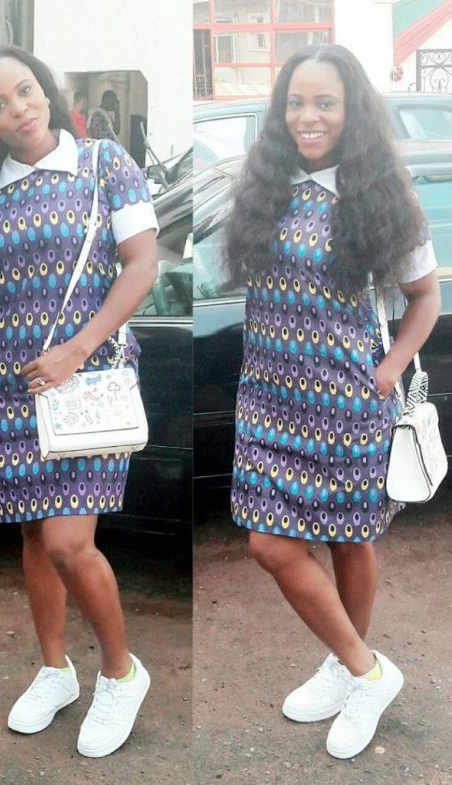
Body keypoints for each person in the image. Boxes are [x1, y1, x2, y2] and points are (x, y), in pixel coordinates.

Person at [0, 45, 158, 758]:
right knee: (34, 536)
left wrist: (76, 350)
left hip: (85, 382)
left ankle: (121, 673)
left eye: (25, 91)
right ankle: (55, 669)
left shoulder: (102, 164)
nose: (18, 109)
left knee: (67, 541)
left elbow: (142, 265)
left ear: (48, 90)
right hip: (4, 389)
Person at [222, 43, 440, 760]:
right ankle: (366, 669)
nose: (306, 116)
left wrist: (390, 368)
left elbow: (424, 297)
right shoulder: (264, 185)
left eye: (324, 102)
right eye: (295, 102)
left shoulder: (380, 194)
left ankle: (347, 667)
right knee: (268, 543)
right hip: (267, 401)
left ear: (352, 111)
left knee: (350, 538)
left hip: (347, 403)